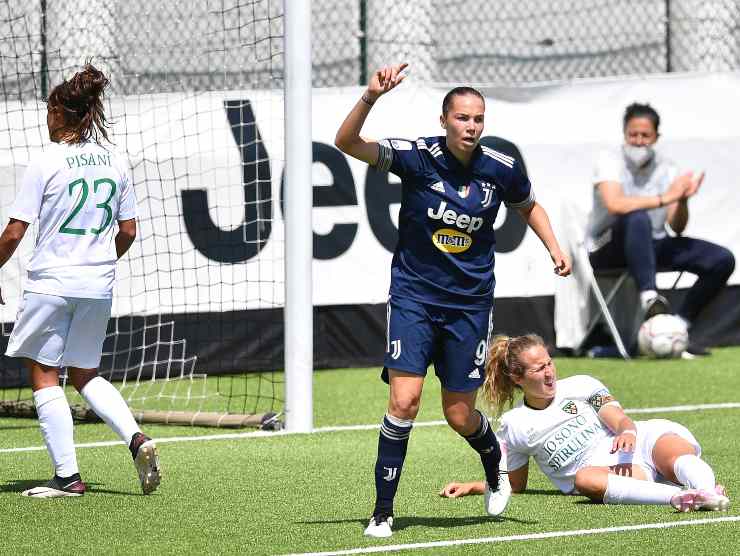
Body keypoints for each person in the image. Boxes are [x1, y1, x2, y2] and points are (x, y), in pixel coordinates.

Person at [334, 63, 572, 537]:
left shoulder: (500, 169)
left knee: (459, 414)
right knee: (404, 401)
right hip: (414, 299)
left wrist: (554, 247)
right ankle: (383, 511)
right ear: (444, 121)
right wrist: (370, 96)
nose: (471, 126)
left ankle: (492, 464)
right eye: (462, 118)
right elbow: (347, 143)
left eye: (478, 119)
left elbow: (530, 206)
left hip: (469, 306)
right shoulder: (417, 157)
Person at [0, 63, 161, 497]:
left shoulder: (46, 161)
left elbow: (15, 232)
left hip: (52, 282)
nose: (46, 118)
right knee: (86, 373)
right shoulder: (116, 161)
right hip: (98, 284)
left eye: (49, 111)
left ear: (60, 112)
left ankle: (67, 476)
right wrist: (99, 261)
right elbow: (127, 231)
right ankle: (136, 438)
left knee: (44, 372)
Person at [440, 334, 730, 512]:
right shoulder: (515, 424)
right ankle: (683, 497)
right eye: (538, 368)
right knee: (584, 480)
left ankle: (707, 491)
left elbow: (617, 417)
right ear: (518, 378)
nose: (549, 372)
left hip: (637, 440)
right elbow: (515, 484)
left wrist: (627, 430)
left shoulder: (581, 384)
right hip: (608, 473)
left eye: (549, 363)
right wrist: (474, 486)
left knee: (674, 454)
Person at [585, 102, 735, 356]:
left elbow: (676, 226)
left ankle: (677, 328)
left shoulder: (667, 167)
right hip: (609, 247)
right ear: (624, 133)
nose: (639, 141)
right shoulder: (609, 160)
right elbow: (615, 204)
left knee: (721, 260)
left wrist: (683, 198)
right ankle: (650, 297)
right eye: (633, 134)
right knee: (637, 217)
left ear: (656, 137)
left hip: (652, 245)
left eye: (646, 135)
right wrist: (665, 198)